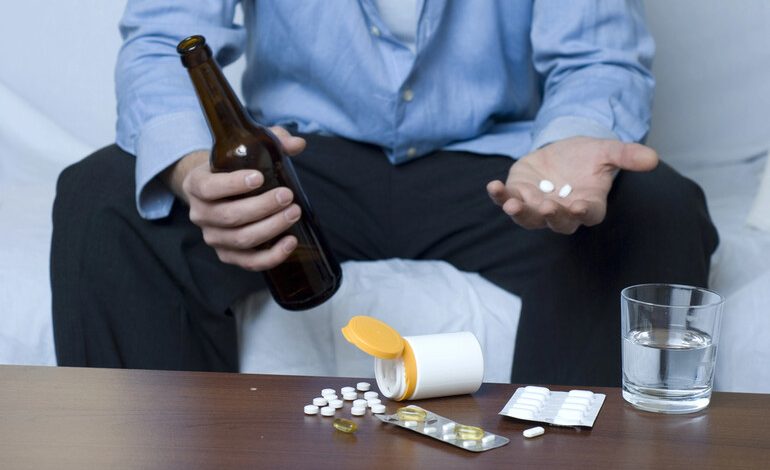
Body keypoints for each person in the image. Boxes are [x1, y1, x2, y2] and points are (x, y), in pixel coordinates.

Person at [50, 0, 718, 386]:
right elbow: (166, 37)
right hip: (311, 164)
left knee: (654, 207)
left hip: (491, 165)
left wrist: (572, 144)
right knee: (104, 196)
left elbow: (596, 55)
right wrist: (195, 167)